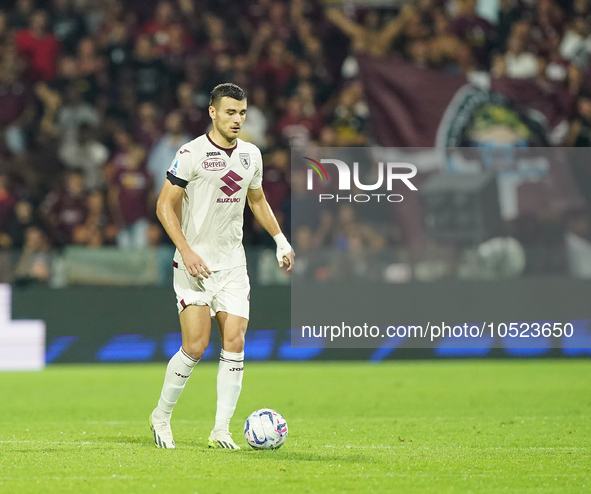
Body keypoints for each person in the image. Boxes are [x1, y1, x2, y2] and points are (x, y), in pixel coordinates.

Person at [149, 83, 294, 450]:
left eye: (242, 113)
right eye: (230, 112)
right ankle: (161, 417)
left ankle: (220, 428)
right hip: (193, 263)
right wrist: (186, 250)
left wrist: (280, 240)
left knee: (236, 340)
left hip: (232, 265)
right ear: (212, 112)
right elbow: (164, 206)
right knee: (195, 346)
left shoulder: (251, 155)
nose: (237, 119)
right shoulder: (190, 154)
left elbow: (257, 200)